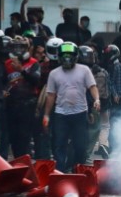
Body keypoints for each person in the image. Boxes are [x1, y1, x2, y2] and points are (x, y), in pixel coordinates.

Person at [43, 42, 100, 172]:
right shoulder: (54, 74)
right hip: (61, 114)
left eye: (70, 56)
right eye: (64, 56)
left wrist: (96, 100)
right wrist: (46, 114)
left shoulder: (84, 70)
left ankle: (75, 169)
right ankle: (60, 172)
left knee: (80, 146)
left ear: (76, 56)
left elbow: (92, 87)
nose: (67, 58)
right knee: (59, 145)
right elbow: (51, 95)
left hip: (80, 114)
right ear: (59, 56)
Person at [3, 37, 41, 158]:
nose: (18, 50)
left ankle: (26, 159)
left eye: (21, 47)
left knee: (25, 135)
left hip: (28, 103)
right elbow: (2, 81)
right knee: (13, 136)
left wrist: (21, 70)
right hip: (11, 104)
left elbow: (36, 80)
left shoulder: (33, 62)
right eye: (15, 48)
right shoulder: (7, 63)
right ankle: (17, 160)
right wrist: (3, 91)